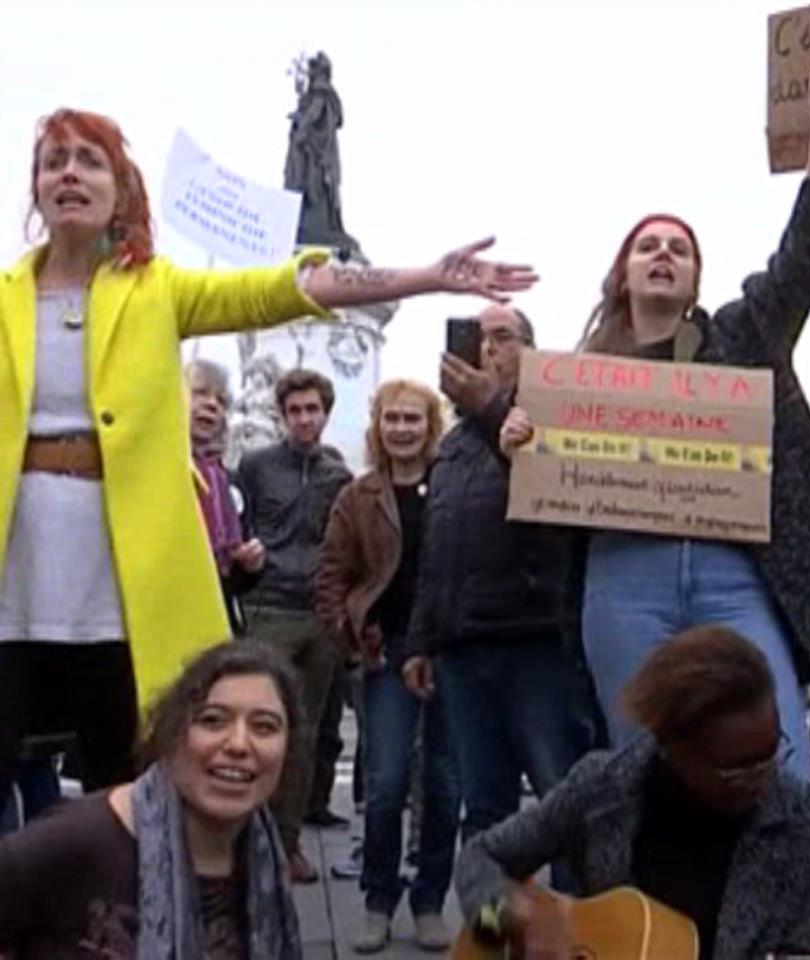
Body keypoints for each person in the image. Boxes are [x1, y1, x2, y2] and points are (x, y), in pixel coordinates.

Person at [0, 107, 535, 811]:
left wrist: (426, 277)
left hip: (119, 583)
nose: (69, 172)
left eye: (89, 161)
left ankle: (132, 922)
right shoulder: (7, 297)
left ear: (121, 192)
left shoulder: (156, 288)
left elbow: (290, 289)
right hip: (18, 571)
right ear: (36, 190)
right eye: (54, 161)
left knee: (123, 786)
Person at [498, 56, 810, 782]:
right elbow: (548, 505)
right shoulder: (572, 378)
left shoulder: (742, 336)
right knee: (645, 769)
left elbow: (800, 259)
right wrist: (519, 444)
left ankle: (775, 893)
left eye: (680, 248)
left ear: (697, 278)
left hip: (733, 574)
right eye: (648, 247)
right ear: (624, 275)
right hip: (622, 576)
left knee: (785, 764)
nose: (664, 255)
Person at [455, 626, 810, 960]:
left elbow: (801, 946)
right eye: (734, 769)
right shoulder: (602, 787)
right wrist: (509, 920)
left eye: (770, 754)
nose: (761, 777)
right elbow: (479, 858)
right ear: (670, 746)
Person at [403, 305, 595, 848]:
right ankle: (492, 932)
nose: (487, 348)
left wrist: (492, 412)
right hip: (463, 652)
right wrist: (421, 640)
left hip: (534, 645)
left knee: (560, 798)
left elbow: (557, 511)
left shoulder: (550, 426)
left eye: (503, 337)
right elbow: (434, 554)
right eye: (477, 338)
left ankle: (576, 928)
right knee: (486, 812)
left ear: (529, 352)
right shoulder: (450, 447)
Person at [0, 641, 304, 958]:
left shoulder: (265, 860)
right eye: (213, 720)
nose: (239, 744)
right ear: (172, 735)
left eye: (264, 727)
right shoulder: (79, 838)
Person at [316, 379, 460, 953]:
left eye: (414, 419)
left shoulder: (452, 487)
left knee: (446, 784)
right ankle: (378, 899)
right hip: (387, 650)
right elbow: (332, 575)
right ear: (379, 425)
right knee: (387, 783)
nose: (403, 429)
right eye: (393, 419)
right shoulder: (358, 496)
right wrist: (349, 636)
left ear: (431, 426)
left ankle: (429, 900)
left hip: (450, 652)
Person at [237, 368, 353, 883]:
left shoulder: (338, 473)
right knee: (259, 729)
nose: (305, 419)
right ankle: (246, 842)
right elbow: (238, 527)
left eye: (313, 410)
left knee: (304, 736)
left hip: (321, 614)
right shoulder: (257, 465)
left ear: (325, 413)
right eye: (295, 411)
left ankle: (286, 845)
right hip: (269, 609)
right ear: (282, 416)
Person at [186, 359, 265, 636]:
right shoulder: (155, 472)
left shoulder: (229, 482)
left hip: (218, 623)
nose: (212, 405)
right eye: (200, 393)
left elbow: (237, 579)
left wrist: (250, 565)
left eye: (221, 400)